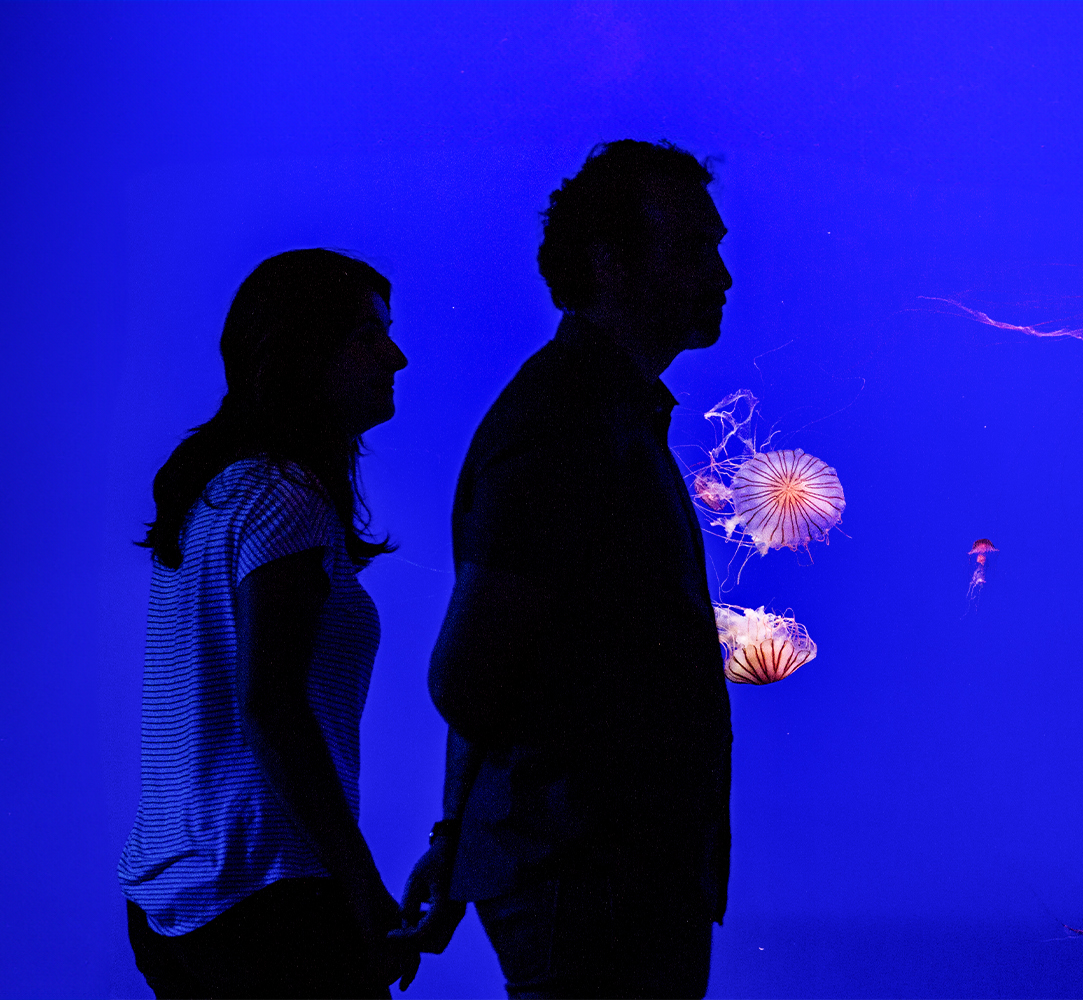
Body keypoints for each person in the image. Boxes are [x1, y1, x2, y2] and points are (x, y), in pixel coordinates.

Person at [393, 140, 734, 999]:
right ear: (610, 262)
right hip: (592, 875)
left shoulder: (595, 416)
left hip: (600, 871)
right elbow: (465, 676)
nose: (722, 276)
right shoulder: (566, 427)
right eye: (694, 248)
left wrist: (454, 832)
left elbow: (507, 649)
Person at [118, 249, 411, 999]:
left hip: (173, 899)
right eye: (369, 336)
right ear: (305, 353)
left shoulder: (215, 498)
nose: (396, 356)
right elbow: (271, 707)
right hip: (274, 896)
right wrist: (362, 888)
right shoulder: (286, 497)